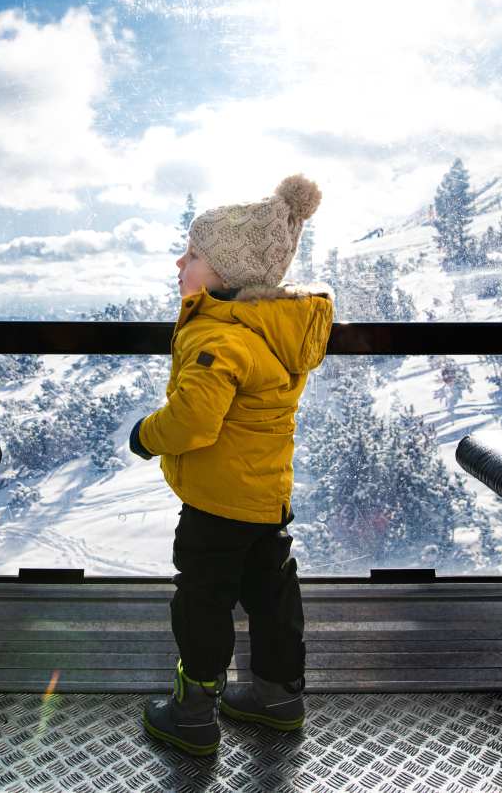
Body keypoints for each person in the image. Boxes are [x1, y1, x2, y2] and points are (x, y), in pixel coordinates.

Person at [129, 173, 333, 756]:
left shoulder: (220, 336)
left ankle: (193, 713)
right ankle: (278, 696)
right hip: (267, 496)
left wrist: (147, 436)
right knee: (271, 592)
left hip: (217, 503)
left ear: (225, 272)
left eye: (192, 254)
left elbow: (194, 420)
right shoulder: (275, 329)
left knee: (203, 598)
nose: (180, 262)